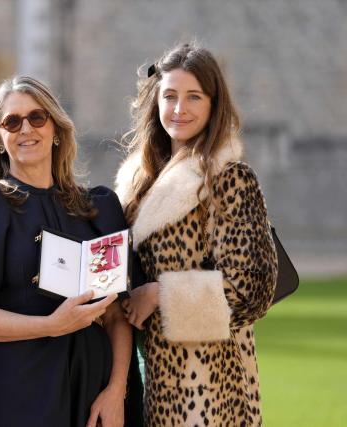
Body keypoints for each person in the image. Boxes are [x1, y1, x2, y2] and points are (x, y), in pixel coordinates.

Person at [0, 76, 139, 427]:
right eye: (11, 122)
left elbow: (115, 316)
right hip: (13, 391)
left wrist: (116, 390)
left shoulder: (98, 209)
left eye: (37, 117)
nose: (25, 129)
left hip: (91, 392)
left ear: (57, 130)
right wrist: (51, 325)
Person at [115, 43, 278, 426]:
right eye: (169, 96)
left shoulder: (229, 178)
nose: (179, 109)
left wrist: (159, 294)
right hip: (144, 373)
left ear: (213, 103)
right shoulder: (137, 182)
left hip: (206, 388)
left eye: (193, 97)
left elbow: (251, 290)